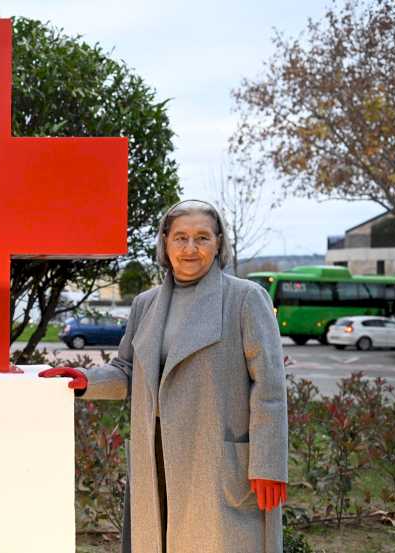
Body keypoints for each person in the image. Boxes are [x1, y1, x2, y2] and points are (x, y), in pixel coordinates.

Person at [41, 199, 288, 553]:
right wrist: (84, 381)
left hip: (213, 458)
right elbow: (126, 371)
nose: (190, 248)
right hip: (154, 453)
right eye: (180, 237)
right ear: (165, 243)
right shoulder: (146, 303)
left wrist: (268, 463)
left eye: (202, 237)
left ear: (219, 243)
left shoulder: (246, 299)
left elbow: (270, 388)